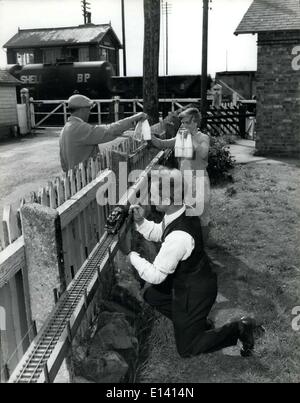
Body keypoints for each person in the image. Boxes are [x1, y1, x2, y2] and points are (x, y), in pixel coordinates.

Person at [119, 167, 264, 358]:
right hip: (190, 279)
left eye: (153, 195)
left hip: (195, 291)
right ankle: (196, 324)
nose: (150, 199)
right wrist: (141, 221)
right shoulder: (180, 211)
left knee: (187, 349)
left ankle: (240, 328)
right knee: (151, 295)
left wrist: (130, 254)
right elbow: (159, 232)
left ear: (168, 200)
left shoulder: (179, 236)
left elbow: (155, 275)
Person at [151, 108, 211, 244]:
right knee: (187, 216)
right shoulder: (182, 137)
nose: (182, 126)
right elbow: (161, 144)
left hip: (199, 181)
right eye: (182, 123)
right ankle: (192, 246)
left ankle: (203, 250)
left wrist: (190, 137)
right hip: (184, 183)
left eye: (186, 123)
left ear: (195, 122)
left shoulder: (203, 138)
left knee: (202, 218)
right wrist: (150, 136)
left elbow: (203, 153)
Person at [59, 94, 147, 172]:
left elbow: (63, 164)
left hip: (74, 178)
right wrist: (133, 119)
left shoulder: (64, 129)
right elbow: (110, 131)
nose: (89, 112)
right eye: (88, 109)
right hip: (86, 177)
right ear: (82, 109)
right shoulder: (79, 128)